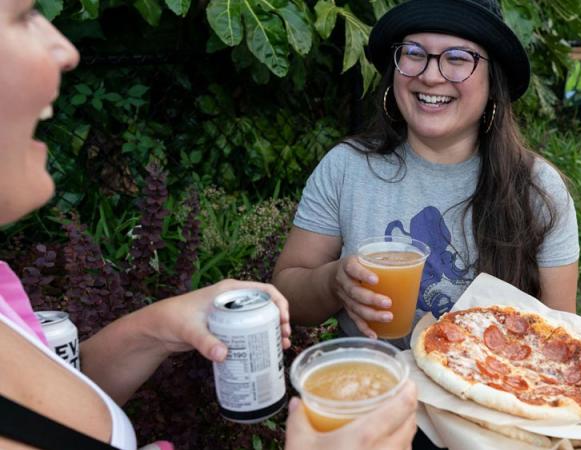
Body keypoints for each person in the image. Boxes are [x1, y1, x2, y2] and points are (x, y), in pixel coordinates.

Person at [0, 3, 416, 449]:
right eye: (22, 16)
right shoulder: (348, 166)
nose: (67, 49)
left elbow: (68, 405)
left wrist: (157, 325)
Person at [273, 0, 579, 347]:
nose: (431, 75)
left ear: (494, 83)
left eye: (458, 58)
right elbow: (287, 293)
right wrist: (332, 282)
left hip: (490, 393)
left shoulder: (538, 189)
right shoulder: (346, 168)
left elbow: (562, 340)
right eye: (414, 53)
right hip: (368, 388)